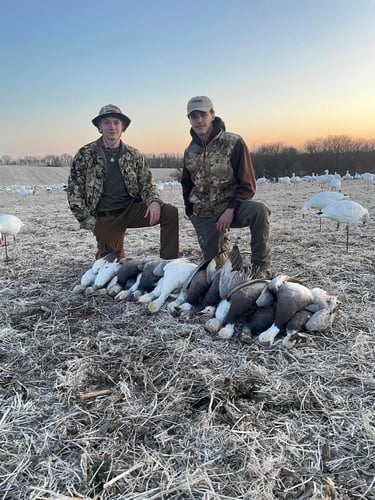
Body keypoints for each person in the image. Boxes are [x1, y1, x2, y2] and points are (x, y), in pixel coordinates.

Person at [67, 104, 179, 260]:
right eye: (106, 122)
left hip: (131, 210)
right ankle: (106, 251)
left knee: (170, 212)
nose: (112, 127)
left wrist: (154, 201)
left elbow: (147, 184)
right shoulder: (85, 154)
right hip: (105, 217)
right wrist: (90, 223)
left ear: (123, 126)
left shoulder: (133, 155)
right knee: (112, 265)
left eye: (116, 122)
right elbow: (74, 192)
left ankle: (169, 263)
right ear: (100, 126)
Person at [181, 96, 271, 278]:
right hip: (204, 214)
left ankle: (260, 268)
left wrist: (230, 210)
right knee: (218, 273)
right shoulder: (190, 151)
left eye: (203, 115)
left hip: (232, 208)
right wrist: (191, 212)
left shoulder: (233, 142)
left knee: (259, 211)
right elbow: (187, 184)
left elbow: (248, 185)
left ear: (212, 115)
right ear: (189, 119)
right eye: (194, 116)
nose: (199, 120)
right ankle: (222, 253)